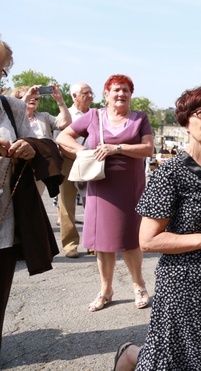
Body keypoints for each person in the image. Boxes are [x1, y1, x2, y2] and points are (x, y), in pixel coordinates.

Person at [112, 87, 201, 371]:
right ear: (185, 121)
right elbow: (148, 241)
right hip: (183, 287)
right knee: (173, 361)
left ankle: (132, 355)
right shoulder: (169, 173)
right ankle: (130, 355)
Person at [57, 74, 154, 312]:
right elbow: (62, 136)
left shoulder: (140, 118)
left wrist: (117, 148)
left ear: (131, 94)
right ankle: (105, 290)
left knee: (131, 239)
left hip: (130, 186)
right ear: (106, 93)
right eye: (116, 90)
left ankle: (138, 285)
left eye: (125, 90)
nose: (120, 94)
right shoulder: (94, 116)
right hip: (100, 185)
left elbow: (148, 148)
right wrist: (83, 151)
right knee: (102, 242)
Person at [0, 41, 43, 352]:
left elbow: (39, 145)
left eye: (0, 70)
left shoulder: (11, 107)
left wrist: (30, 148)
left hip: (4, 220)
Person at [55, 82, 94, 258]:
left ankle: (93, 243)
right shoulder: (66, 115)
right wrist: (76, 154)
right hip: (68, 161)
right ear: (74, 96)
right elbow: (60, 141)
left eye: (91, 93)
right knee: (66, 204)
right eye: (86, 93)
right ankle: (70, 245)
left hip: (91, 162)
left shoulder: (96, 115)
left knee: (93, 204)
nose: (90, 96)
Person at [11, 85, 72, 196]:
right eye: (29, 96)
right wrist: (28, 96)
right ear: (17, 100)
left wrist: (60, 100)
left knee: (36, 198)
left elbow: (65, 123)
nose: (33, 99)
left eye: (36, 98)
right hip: (20, 164)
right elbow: (13, 113)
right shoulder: (13, 117)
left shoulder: (44, 116)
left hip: (42, 166)